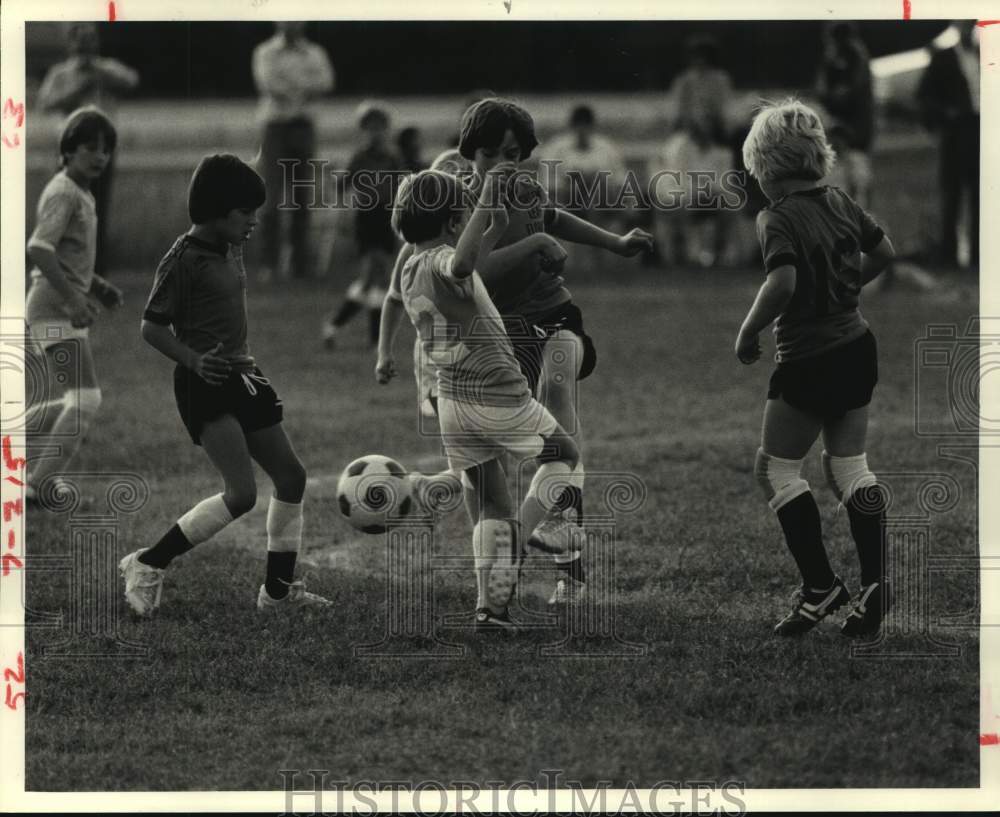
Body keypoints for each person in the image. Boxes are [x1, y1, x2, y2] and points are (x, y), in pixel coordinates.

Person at [457, 98, 653, 605]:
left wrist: (614, 242)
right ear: (471, 152)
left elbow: (553, 218)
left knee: (558, 385)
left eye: (514, 155)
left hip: (556, 316)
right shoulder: (460, 204)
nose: (505, 165)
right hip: (501, 336)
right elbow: (472, 273)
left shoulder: (523, 187)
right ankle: (505, 569)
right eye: (495, 154)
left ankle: (554, 544)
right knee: (500, 460)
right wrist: (534, 243)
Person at [120, 154, 331, 617]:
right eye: (245, 212)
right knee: (241, 494)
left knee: (291, 477)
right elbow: (151, 327)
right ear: (217, 211)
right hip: (205, 382)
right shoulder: (183, 260)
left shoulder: (229, 245)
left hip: (243, 375)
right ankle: (149, 562)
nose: (254, 221)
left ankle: (277, 594)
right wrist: (194, 360)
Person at [392, 167, 587, 630]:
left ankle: (490, 609)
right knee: (566, 455)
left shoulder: (410, 268)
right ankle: (532, 531)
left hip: (453, 403)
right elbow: (461, 265)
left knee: (491, 505)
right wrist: (484, 204)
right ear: (453, 222)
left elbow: (468, 265)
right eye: (465, 216)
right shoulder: (444, 260)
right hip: (496, 393)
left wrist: (495, 224)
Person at [736, 100, 896, 638]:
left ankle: (821, 586)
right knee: (849, 468)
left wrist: (749, 330)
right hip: (856, 345)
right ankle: (875, 583)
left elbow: (781, 283)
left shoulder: (776, 216)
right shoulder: (840, 199)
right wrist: (846, 288)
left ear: (765, 167)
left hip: (809, 356)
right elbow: (885, 252)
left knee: (775, 470)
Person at [24, 106, 123, 506]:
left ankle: (17, 443)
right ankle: (40, 484)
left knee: (76, 399)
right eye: (90, 148)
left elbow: (68, 255)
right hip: (51, 309)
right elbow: (39, 249)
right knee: (86, 399)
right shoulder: (64, 192)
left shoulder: (80, 192)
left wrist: (96, 286)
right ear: (67, 150)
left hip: (56, 307)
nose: (100, 156)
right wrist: (73, 298)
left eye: (106, 149)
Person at [37, 22, 139, 276]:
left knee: (97, 209)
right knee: (66, 207)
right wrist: (78, 89)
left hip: (101, 151)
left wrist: (100, 74)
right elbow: (45, 104)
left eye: (90, 39)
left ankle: (96, 270)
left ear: (96, 42)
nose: (85, 45)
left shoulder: (107, 69)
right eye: (80, 40)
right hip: (71, 152)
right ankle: (66, 266)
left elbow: (131, 81)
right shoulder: (61, 73)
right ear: (71, 44)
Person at [252, 21, 334, 280]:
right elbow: (268, 84)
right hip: (275, 127)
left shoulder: (315, 53)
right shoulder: (265, 52)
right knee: (271, 196)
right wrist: (304, 87)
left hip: (304, 126)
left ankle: (300, 264)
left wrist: (290, 86)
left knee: (302, 195)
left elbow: (326, 82)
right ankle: (270, 264)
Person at [322, 102, 401, 349]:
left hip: (387, 217)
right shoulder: (360, 158)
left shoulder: (392, 158)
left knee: (375, 278)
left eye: (380, 128)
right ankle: (368, 336)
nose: (375, 133)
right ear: (363, 131)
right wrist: (335, 181)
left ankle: (338, 327)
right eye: (370, 128)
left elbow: (400, 187)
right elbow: (342, 186)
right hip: (367, 218)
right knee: (375, 274)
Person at [917, 20, 980, 267]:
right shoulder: (944, 58)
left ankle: (977, 252)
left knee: (979, 193)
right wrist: (945, 114)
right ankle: (949, 252)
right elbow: (925, 95)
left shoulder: (982, 54)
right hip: (956, 132)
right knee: (952, 192)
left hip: (978, 128)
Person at [815, 22, 874, 209]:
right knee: (844, 176)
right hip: (845, 126)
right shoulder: (835, 59)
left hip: (854, 128)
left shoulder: (855, 57)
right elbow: (823, 91)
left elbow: (849, 92)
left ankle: (858, 215)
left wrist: (836, 96)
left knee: (856, 175)